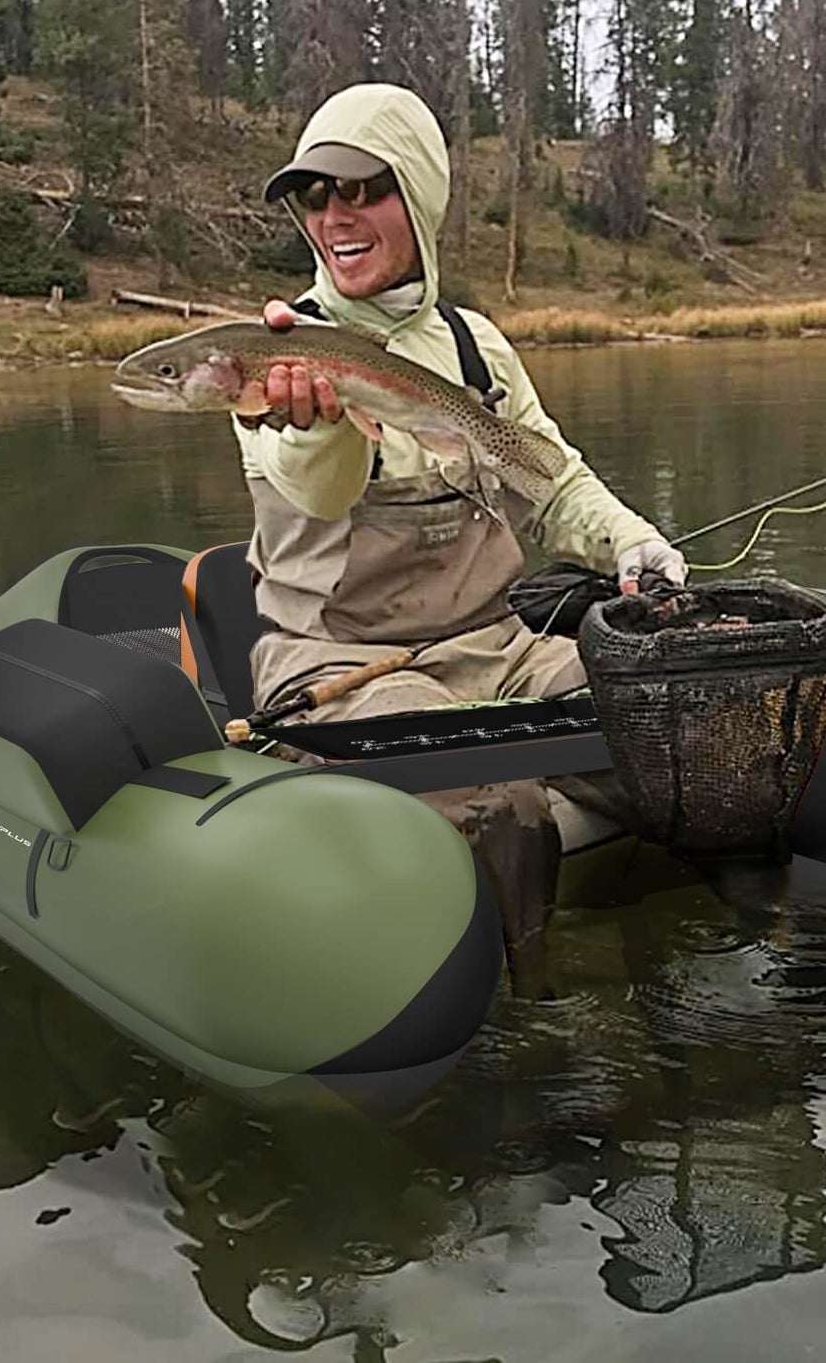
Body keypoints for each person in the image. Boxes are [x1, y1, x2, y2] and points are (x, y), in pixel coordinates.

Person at [233, 82, 686, 997]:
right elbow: (312, 494)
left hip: (498, 650)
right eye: (314, 196)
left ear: (420, 195)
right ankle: (526, 1026)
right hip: (334, 665)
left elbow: (547, 479)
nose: (334, 216)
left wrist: (633, 544)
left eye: (363, 189)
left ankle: (700, 944)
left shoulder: (475, 349)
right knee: (495, 799)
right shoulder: (274, 350)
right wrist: (321, 423)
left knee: (678, 719)